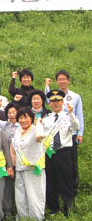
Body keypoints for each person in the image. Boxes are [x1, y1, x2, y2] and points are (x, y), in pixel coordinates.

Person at [45, 70, 84, 198]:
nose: (61, 81)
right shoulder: (48, 118)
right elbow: (47, 100)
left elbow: (79, 117)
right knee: (52, 177)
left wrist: (80, 133)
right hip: (52, 147)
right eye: (59, 79)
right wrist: (47, 87)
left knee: (70, 169)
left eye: (64, 79)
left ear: (68, 80)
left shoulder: (75, 97)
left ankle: (72, 194)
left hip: (69, 135)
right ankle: (54, 205)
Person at [41, 90, 79, 216]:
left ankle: (69, 209)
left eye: (58, 101)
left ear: (62, 102)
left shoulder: (68, 117)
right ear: (50, 104)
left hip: (64, 153)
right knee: (50, 182)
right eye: (53, 101)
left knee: (66, 181)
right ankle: (53, 210)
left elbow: (75, 127)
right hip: (50, 153)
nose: (55, 103)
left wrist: (72, 112)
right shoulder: (46, 119)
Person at [10, 107, 46, 221]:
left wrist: (38, 122)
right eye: (20, 118)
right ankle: (23, 220)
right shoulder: (17, 131)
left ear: (31, 118)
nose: (23, 120)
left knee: (34, 195)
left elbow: (40, 136)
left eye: (26, 117)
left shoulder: (36, 129)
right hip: (20, 168)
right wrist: (12, 161)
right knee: (20, 196)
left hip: (33, 168)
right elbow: (13, 146)